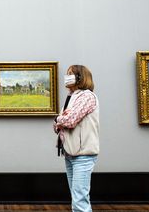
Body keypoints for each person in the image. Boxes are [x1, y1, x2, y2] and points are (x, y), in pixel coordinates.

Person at [53, 65, 100, 212]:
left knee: (80, 199)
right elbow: (57, 126)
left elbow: (70, 120)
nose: (67, 77)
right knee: (76, 197)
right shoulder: (71, 97)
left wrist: (59, 119)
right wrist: (60, 120)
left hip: (83, 155)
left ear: (80, 77)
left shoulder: (87, 96)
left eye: (71, 74)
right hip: (70, 153)